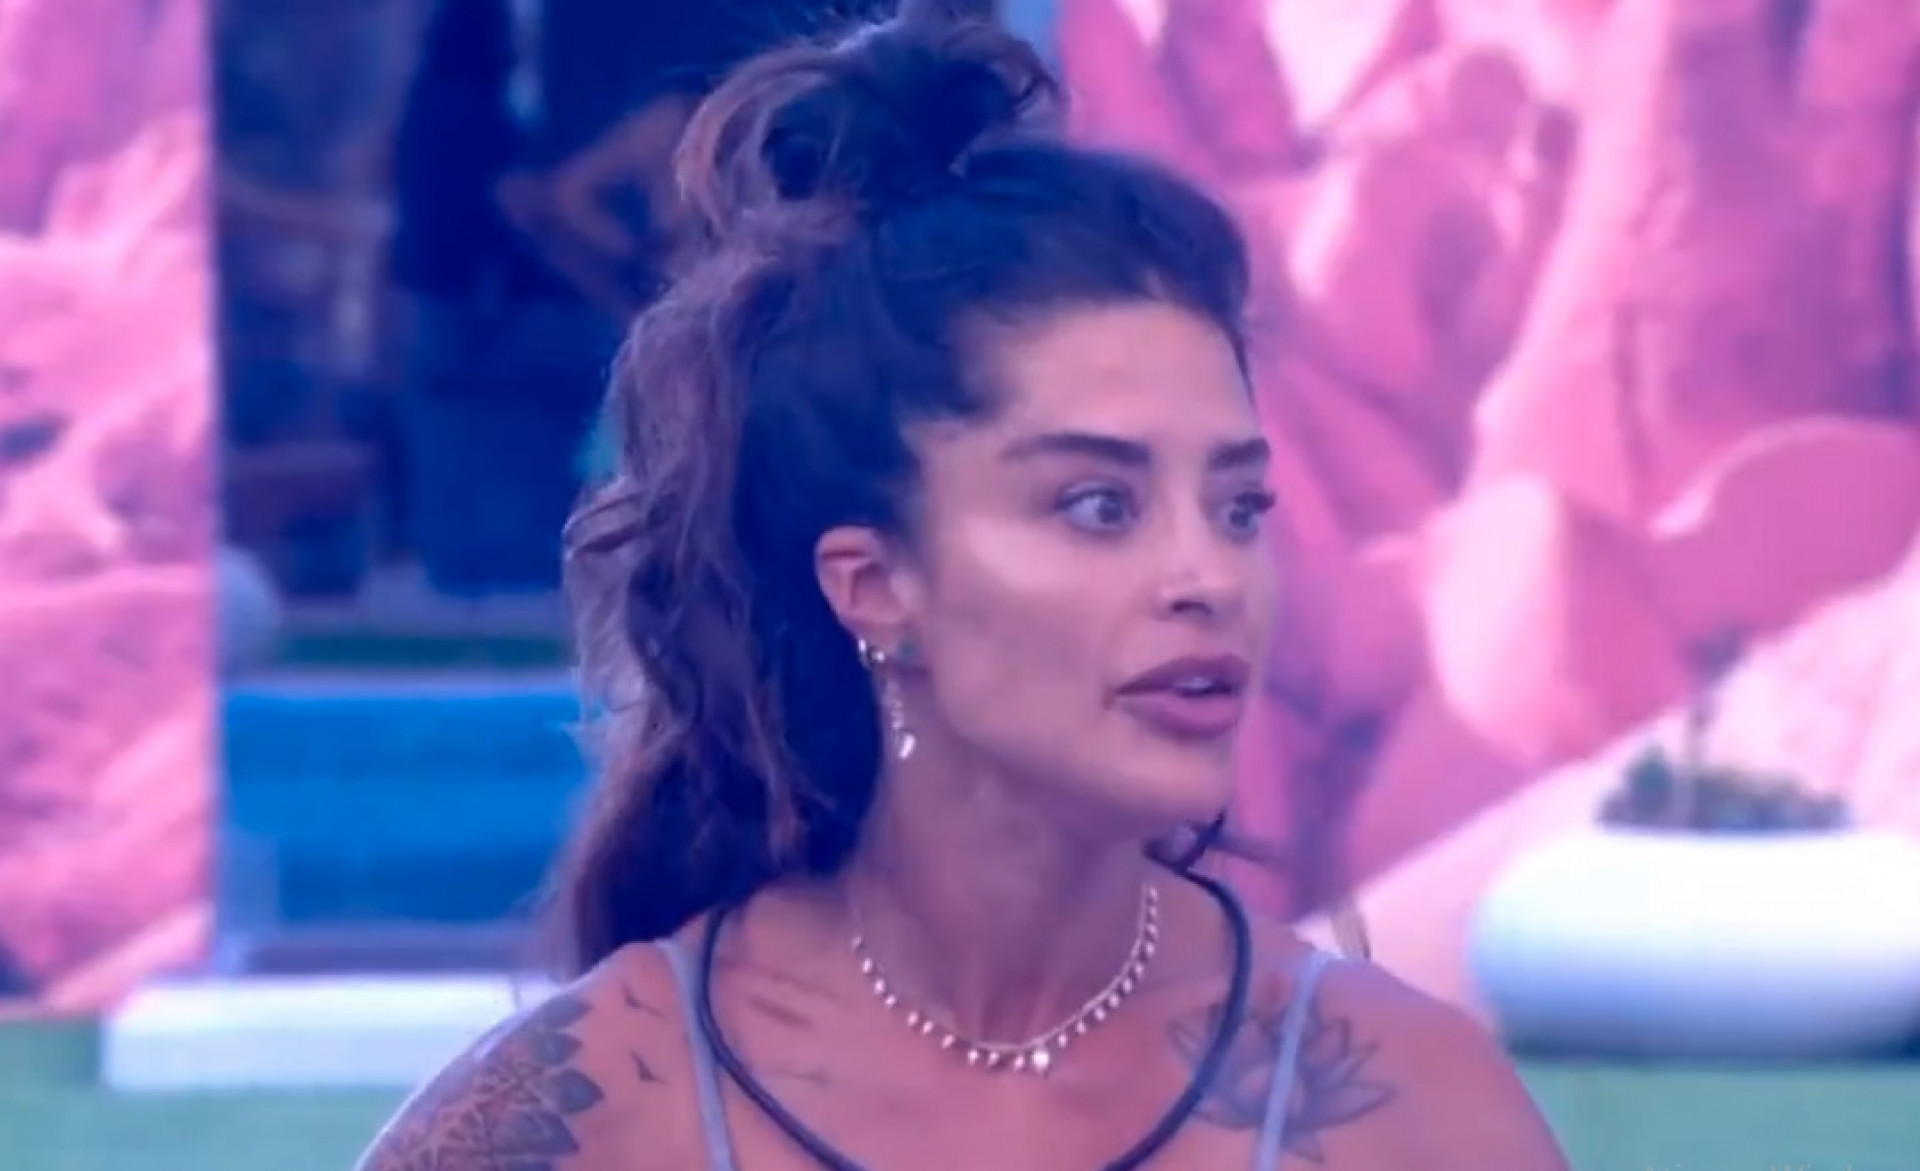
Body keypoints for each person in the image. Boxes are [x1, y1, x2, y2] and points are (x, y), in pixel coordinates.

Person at [354, 4, 1572, 1169]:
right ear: (874, 584)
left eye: (1238, 507)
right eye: (1099, 505)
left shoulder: (1407, 1106)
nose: (1209, 577)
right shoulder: (597, 1110)